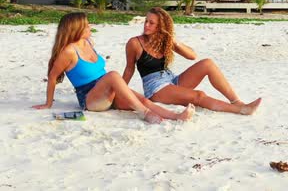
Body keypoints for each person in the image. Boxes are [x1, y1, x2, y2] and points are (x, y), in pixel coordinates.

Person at [33, 12, 194, 124]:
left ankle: (176, 116)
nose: (90, 27)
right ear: (76, 29)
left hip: (107, 92)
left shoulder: (88, 42)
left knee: (143, 100)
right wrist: (48, 103)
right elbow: (53, 76)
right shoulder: (68, 51)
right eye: (87, 25)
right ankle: (145, 114)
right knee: (113, 75)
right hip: (91, 99)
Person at [123, 7, 261, 115]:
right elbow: (129, 69)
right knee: (198, 96)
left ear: (160, 26)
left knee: (208, 63)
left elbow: (192, 56)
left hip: (172, 80)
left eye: (151, 23)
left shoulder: (164, 41)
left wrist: (173, 41)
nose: (146, 25)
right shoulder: (135, 43)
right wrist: (120, 91)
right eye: (146, 21)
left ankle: (237, 102)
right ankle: (241, 110)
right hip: (156, 88)